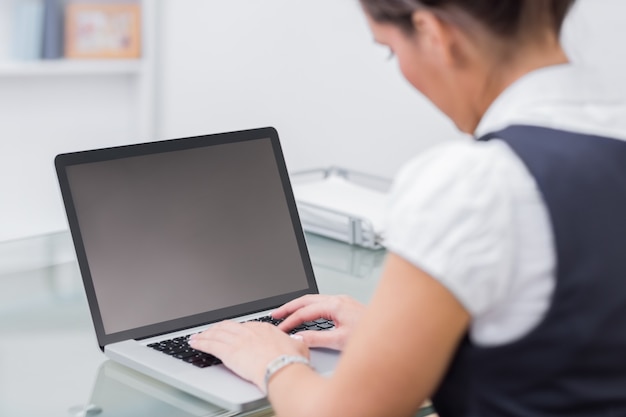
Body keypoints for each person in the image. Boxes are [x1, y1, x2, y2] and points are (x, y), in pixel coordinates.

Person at [189, 1, 626, 415]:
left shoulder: (478, 183)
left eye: (390, 51)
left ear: (431, 31)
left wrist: (273, 360)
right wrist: (393, 334)